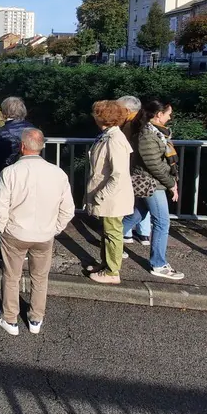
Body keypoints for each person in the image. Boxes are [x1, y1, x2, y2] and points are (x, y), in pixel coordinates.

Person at [0, 128, 75, 335]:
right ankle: (36, 319)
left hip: (15, 233)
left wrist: (1, 227)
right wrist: (55, 228)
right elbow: (68, 210)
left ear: (22, 146)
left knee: (11, 276)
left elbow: (1, 206)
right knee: (40, 277)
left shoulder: (10, 172)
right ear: (42, 147)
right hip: (44, 235)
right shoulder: (58, 173)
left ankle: (10, 319)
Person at [122, 100, 184, 280]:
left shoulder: (152, 132)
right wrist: (171, 183)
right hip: (151, 184)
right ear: (158, 114)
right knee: (162, 222)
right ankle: (158, 264)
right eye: (168, 113)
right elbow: (154, 165)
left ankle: (111, 242)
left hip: (150, 182)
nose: (170, 117)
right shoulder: (148, 135)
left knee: (136, 215)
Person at [85, 101, 133, 285]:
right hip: (109, 195)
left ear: (102, 117)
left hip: (112, 197)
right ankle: (106, 265)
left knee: (112, 233)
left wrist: (101, 194)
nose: (93, 116)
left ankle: (112, 271)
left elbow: (118, 174)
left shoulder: (114, 140)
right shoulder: (109, 135)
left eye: (96, 113)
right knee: (107, 231)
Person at [0, 96, 35, 260]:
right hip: (29, 178)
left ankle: (3, 249)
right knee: (25, 212)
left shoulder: (1, 133)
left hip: (4, 179)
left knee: (4, 213)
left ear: (5, 112)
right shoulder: (33, 130)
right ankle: (25, 248)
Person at [117, 95, 150, 246]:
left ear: (127, 110)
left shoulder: (129, 125)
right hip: (144, 170)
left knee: (133, 201)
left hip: (133, 169)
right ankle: (143, 233)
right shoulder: (144, 122)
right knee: (143, 201)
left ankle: (126, 233)